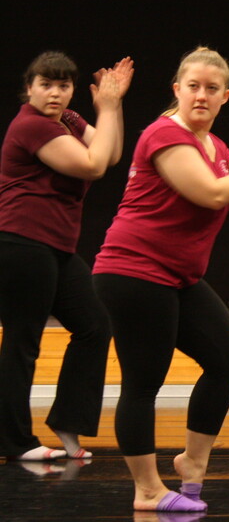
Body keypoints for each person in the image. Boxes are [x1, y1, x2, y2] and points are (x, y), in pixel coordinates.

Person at [92, 47, 229, 514]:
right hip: (133, 271)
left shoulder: (216, 147)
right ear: (176, 90)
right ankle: (146, 489)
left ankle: (192, 462)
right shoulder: (164, 134)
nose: (202, 95)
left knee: (226, 358)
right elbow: (215, 193)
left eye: (212, 89)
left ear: (225, 97)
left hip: (176, 277)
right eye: (193, 86)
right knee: (143, 381)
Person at [0, 52, 132, 462]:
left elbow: (109, 154)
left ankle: (69, 421)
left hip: (56, 246)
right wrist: (107, 106)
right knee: (23, 341)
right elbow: (93, 165)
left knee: (94, 325)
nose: (55, 93)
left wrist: (113, 107)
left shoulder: (69, 121)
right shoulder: (32, 125)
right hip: (21, 242)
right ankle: (14, 442)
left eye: (63, 85)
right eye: (46, 84)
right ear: (29, 87)